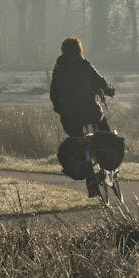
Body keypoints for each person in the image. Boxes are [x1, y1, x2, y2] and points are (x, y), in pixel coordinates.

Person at [49, 37, 115, 196]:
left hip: (69, 118)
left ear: (63, 51)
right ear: (79, 49)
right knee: (105, 133)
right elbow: (100, 82)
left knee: (79, 140)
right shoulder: (84, 65)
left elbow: (53, 92)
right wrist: (109, 90)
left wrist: (60, 109)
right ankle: (107, 163)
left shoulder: (59, 68)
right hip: (91, 113)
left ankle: (90, 177)